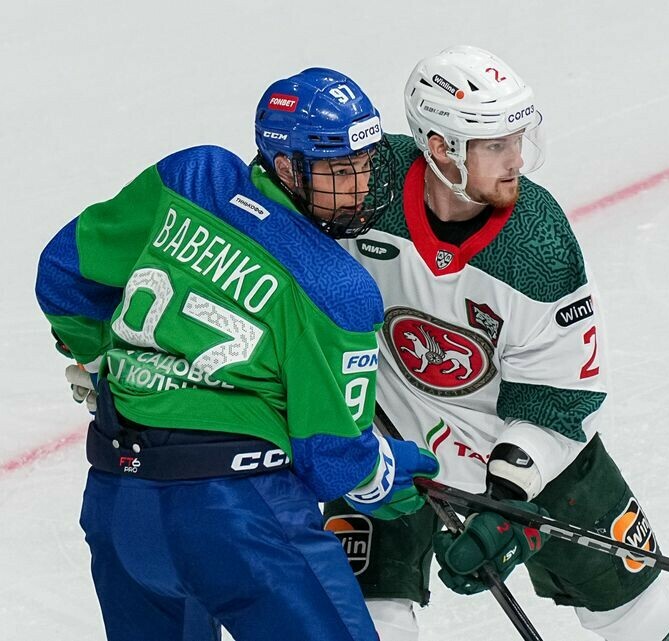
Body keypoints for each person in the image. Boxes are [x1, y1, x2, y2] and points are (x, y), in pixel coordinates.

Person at [35, 68, 439, 641]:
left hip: (119, 504)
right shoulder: (337, 289)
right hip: (240, 516)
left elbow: (63, 274)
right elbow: (335, 461)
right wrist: (389, 474)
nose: (359, 187)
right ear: (286, 167)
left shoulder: (190, 176)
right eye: (338, 171)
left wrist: (104, 363)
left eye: (366, 164)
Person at [324, 46, 669, 641]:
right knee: (361, 620)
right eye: (496, 145)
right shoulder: (368, 185)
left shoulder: (536, 243)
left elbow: (559, 395)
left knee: (638, 613)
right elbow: (280, 205)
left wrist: (510, 498)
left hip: (523, 449)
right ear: (441, 147)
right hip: (387, 440)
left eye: (518, 139)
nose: (517, 159)